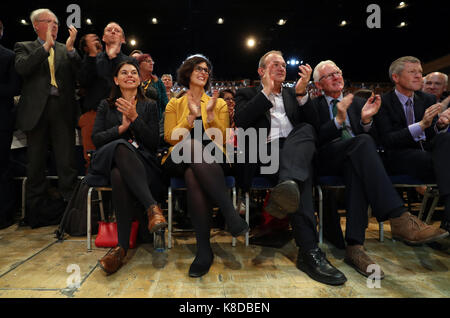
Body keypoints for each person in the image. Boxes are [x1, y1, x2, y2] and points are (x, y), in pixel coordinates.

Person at [310, 60, 448, 278]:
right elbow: (314, 139)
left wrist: (365, 120)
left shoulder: (358, 103)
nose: (337, 77)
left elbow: (377, 140)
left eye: (338, 72)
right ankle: (398, 216)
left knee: (361, 153)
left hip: (356, 159)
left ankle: (355, 247)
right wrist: (338, 119)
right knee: (363, 143)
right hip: (328, 158)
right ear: (318, 85)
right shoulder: (312, 105)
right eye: (329, 76)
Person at [234, 50, 346, 286]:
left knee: (305, 132)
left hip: (295, 152)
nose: (282, 67)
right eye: (275, 64)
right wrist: (265, 91)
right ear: (261, 71)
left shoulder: (292, 93)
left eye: (284, 64)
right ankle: (310, 254)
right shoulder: (247, 93)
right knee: (299, 173)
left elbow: (315, 128)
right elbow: (242, 121)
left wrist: (302, 93)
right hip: (263, 154)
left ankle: (290, 190)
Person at [162, 54, 249, 278]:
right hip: (179, 155)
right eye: (199, 68)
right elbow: (171, 137)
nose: (204, 72)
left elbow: (221, 138)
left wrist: (209, 115)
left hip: (213, 158)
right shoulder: (175, 102)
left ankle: (204, 250)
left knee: (193, 174)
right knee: (190, 145)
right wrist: (189, 119)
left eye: (207, 70)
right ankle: (230, 214)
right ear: (188, 72)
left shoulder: (218, 102)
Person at [85, 61, 167, 275]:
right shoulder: (106, 105)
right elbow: (96, 139)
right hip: (108, 156)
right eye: (124, 73)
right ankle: (152, 207)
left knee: (118, 174)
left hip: (142, 164)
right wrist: (121, 128)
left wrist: (135, 118)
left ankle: (120, 249)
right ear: (116, 79)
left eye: (134, 73)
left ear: (139, 80)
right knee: (120, 146)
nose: (130, 75)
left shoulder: (149, 104)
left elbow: (152, 143)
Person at [14, 9, 80, 227]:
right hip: (36, 112)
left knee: (66, 162)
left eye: (56, 22)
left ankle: (70, 213)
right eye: (48, 21)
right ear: (36, 25)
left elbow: (80, 74)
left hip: (62, 110)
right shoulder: (24, 47)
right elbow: (23, 68)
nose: (54, 25)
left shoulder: (65, 49)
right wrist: (46, 47)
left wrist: (71, 50)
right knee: (35, 164)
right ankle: (35, 213)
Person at [374, 56, 450, 244]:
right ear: (396, 77)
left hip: (427, 155)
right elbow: (388, 140)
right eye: (412, 72)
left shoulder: (428, 98)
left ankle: (448, 215)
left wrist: (439, 125)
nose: (419, 77)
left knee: (446, 138)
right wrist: (422, 125)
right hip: (397, 156)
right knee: (440, 161)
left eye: (420, 72)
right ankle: (448, 218)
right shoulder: (382, 102)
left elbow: (431, 138)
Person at [78, 23, 133, 170]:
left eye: (117, 30)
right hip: (94, 115)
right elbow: (83, 81)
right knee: (92, 159)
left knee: (123, 159)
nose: (113, 31)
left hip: (123, 115)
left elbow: (129, 88)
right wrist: (92, 55)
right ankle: (94, 192)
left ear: (123, 39)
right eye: (109, 30)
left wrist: (114, 57)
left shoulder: (130, 62)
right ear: (103, 38)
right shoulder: (92, 58)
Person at [0, 19, 21, 229]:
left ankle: (4, 216)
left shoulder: (8, 56)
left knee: (3, 168)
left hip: (2, 120)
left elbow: (14, 88)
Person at [136, 54, 168, 119]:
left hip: (156, 120)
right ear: (139, 64)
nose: (151, 63)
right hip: (136, 119)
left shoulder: (158, 82)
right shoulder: (133, 81)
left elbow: (165, 103)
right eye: (148, 61)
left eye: (152, 62)